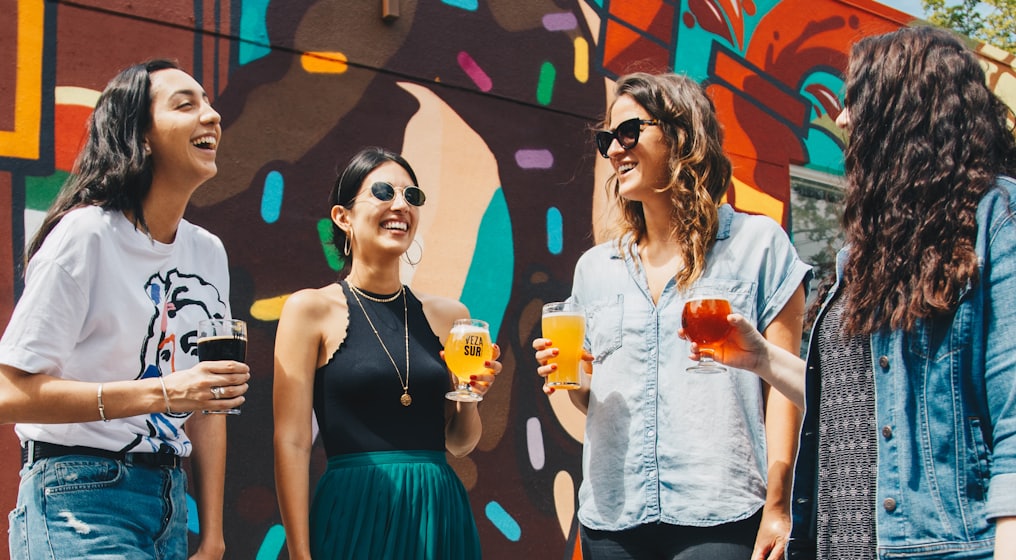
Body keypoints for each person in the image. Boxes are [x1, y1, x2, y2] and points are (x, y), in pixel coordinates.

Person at [686, 26, 1016, 559]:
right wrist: (764, 359)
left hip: (941, 546)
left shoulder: (994, 221)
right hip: (841, 544)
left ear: (904, 109)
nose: (841, 119)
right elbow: (851, 403)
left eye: (855, 101)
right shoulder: (864, 254)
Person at [533, 72, 812, 560]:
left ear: (682, 134)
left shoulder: (758, 245)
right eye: (607, 140)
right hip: (612, 518)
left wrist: (779, 505)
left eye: (629, 132)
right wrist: (572, 381)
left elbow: (785, 391)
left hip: (722, 514)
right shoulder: (595, 268)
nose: (615, 150)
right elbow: (592, 400)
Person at [0, 59, 250, 559]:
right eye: (186, 104)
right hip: (78, 494)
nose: (212, 116)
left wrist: (216, 535)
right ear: (142, 135)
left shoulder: (208, 253)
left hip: (168, 504)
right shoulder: (86, 234)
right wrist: (160, 392)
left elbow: (206, 405)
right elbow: (8, 393)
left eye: (209, 103)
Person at [273, 146, 500, 559]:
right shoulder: (309, 310)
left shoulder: (453, 316)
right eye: (383, 191)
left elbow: (460, 443)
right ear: (343, 217)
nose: (401, 205)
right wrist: (300, 553)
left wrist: (471, 397)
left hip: (437, 512)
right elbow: (291, 441)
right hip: (353, 511)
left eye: (412, 196)